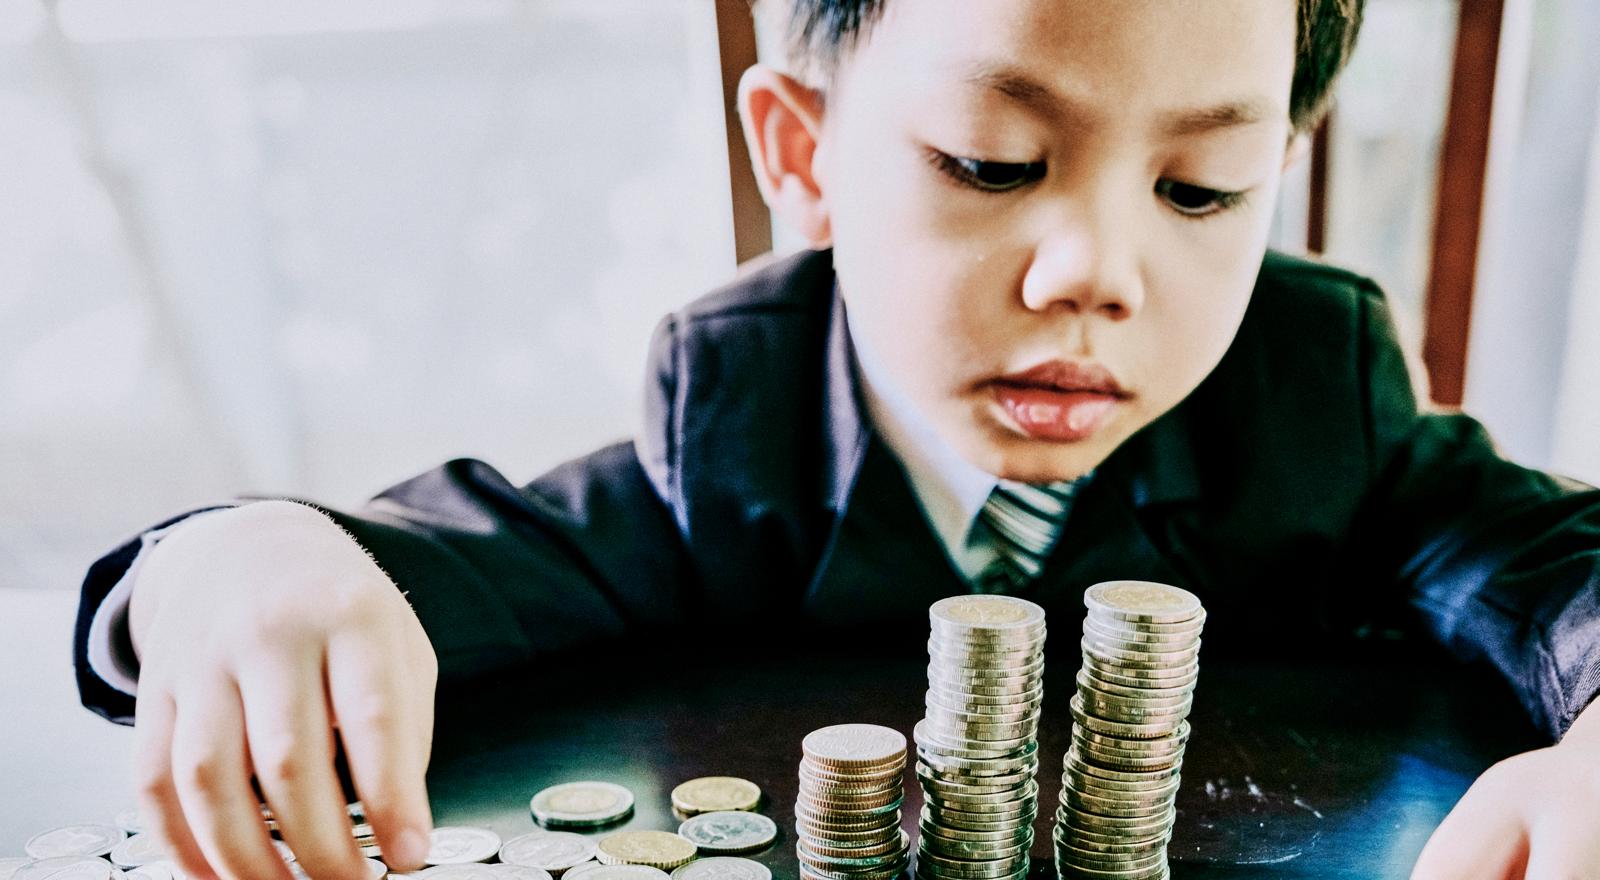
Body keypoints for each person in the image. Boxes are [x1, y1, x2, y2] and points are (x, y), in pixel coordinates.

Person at [69, 1, 1600, 879]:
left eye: (1202, 191)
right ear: (804, 154)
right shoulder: (738, 427)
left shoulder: (1314, 401)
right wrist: (228, 559)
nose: (1098, 273)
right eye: (994, 163)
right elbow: (430, 567)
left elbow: (1562, 563)